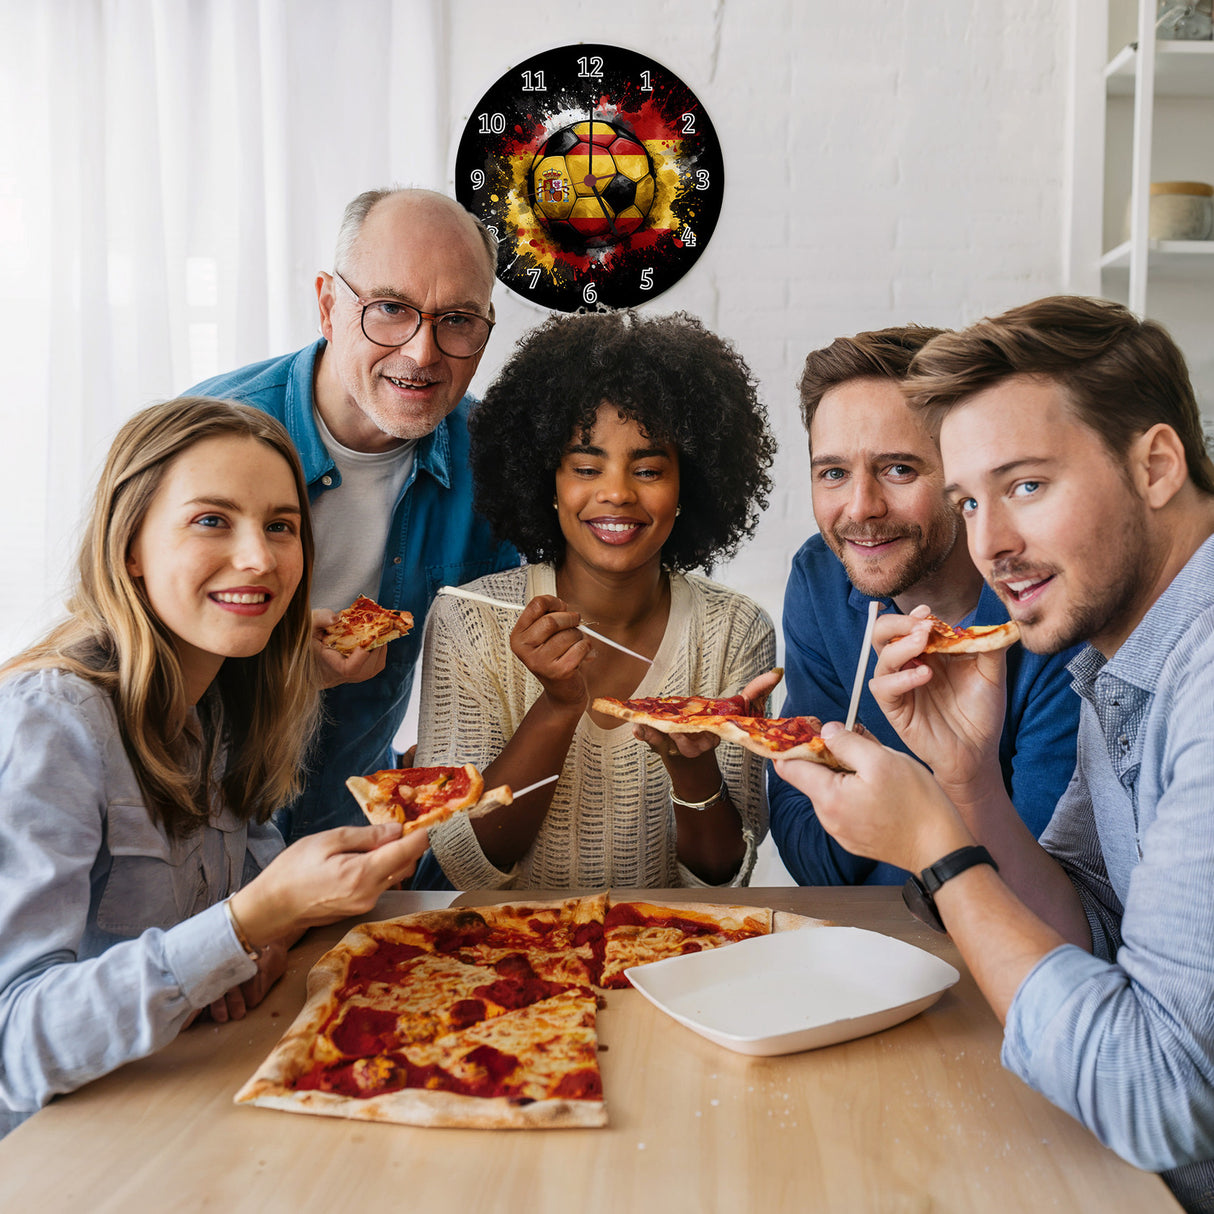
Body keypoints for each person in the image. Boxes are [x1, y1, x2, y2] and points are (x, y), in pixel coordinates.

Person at [776, 297, 1214, 1212]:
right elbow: (1088, 929)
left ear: (1157, 465)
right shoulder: (1119, 648)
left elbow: (1159, 1097)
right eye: (971, 500)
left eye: (1024, 486)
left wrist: (941, 847)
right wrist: (970, 783)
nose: (991, 545)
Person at [0, 398, 428, 1137]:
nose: (260, 558)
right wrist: (253, 920)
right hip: (58, 1154)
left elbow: (242, 895)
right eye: (211, 520)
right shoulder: (50, 720)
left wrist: (253, 944)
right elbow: (12, 1045)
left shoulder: (224, 694)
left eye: (280, 526)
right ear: (130, 545)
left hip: (180, 1103)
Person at [189, 188, 518, 843]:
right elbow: (119, 664)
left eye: (457, 319)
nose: (423, 354)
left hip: (355, 843)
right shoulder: (201, 437)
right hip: (191, 839)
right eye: (391, 309)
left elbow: (498, 675)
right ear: (328, 304)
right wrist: (280, 664)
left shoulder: (498, 466)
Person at [413, 310, 780, 890]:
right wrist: (558, 705)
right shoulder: (470, 619)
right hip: (508, 964)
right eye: (586, 466)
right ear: (547, 482)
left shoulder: (735, 629)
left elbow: (723, 878)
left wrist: (692, 767)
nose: (616, 492)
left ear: (690, 486)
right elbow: (467, 864)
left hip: (674, 962)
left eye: (650, 469)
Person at [768, 325, 1080, 885]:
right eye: (834, 473)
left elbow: (1044, 883)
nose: (861, 508)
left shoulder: (1049, 610)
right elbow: (807, 853)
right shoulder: (819, 577)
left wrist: (889, 802)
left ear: (961, 478)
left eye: (899, 469)